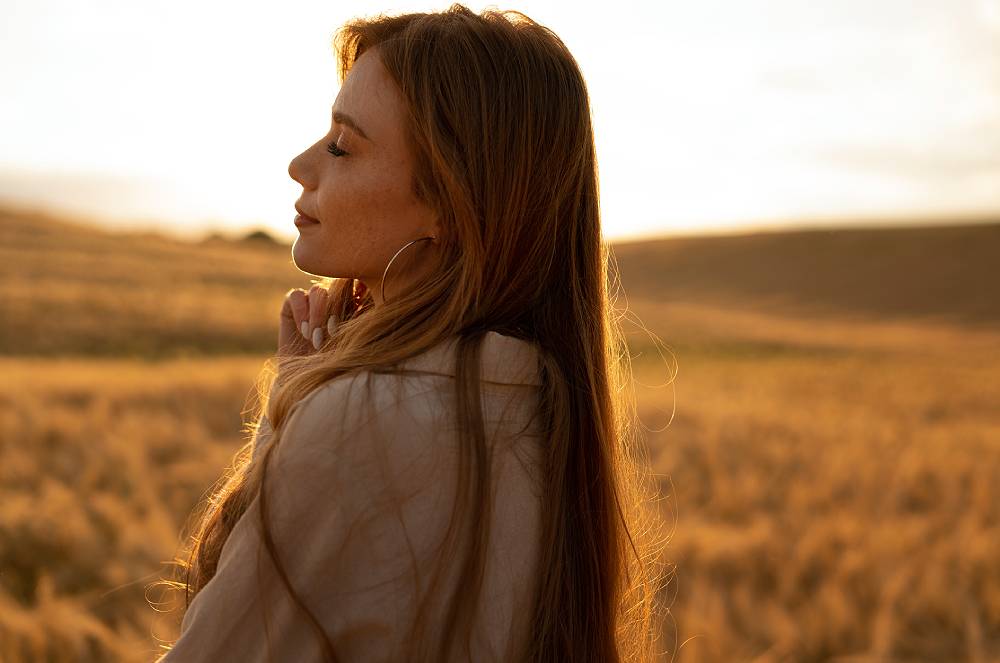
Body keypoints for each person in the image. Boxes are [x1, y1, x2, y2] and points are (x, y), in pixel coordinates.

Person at [153, 4, 669, 661]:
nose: (300, 163)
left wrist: (292, 422)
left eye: (343, 144)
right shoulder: (544, 402)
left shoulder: (357, 422)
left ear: (447, 207)